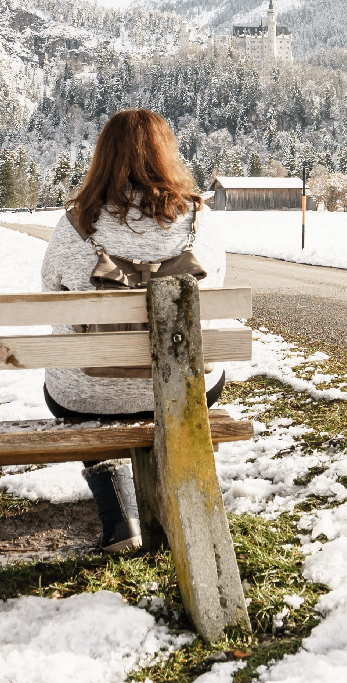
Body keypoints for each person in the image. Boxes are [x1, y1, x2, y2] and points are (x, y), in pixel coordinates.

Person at [40, 108, 227, 553]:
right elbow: (215, 288)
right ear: (168, 156)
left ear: (103, 157)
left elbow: (51, 295)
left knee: (70, 381)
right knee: (188, 382)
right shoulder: (199, 221)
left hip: (86, 393)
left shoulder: (74, 224)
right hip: (183, 388)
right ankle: (173, 497)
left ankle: (116, 506)